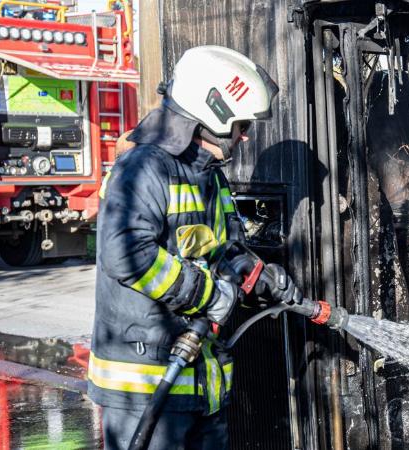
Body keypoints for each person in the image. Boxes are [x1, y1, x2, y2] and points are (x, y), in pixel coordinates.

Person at [89, 46, 300, 450]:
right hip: (146, 388)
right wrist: (206, 293)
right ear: (213, 111)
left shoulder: (210, 177)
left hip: (200, 384)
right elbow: (125, 254)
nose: (245, 134)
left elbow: (228, 248)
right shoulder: (144, 168)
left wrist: (260, 276)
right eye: (240, 124)